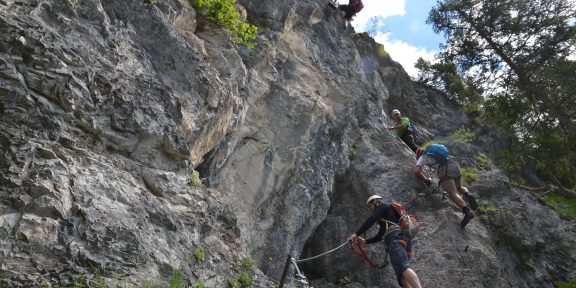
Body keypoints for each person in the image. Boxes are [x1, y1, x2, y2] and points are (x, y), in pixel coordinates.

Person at [347, 195, 423, 288]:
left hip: (395, 239)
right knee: (401, 273)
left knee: (403, 267)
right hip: (402, 239)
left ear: (374, 202)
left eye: (370, 206)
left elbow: (372, 219)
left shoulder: (382, 206)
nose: (370, 210)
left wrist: (357, 234)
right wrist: (365, 241)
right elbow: (380, 235)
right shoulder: (387, 217)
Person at [415, 145, 478, 228]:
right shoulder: (436, 153)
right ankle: (467, 194)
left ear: (418, 154)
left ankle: (467, 211)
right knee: (459, 187)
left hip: (445, 169)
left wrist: (426, 180)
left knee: (453, 193)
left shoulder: (423, 156)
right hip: (454, 165)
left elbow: (417, 172)